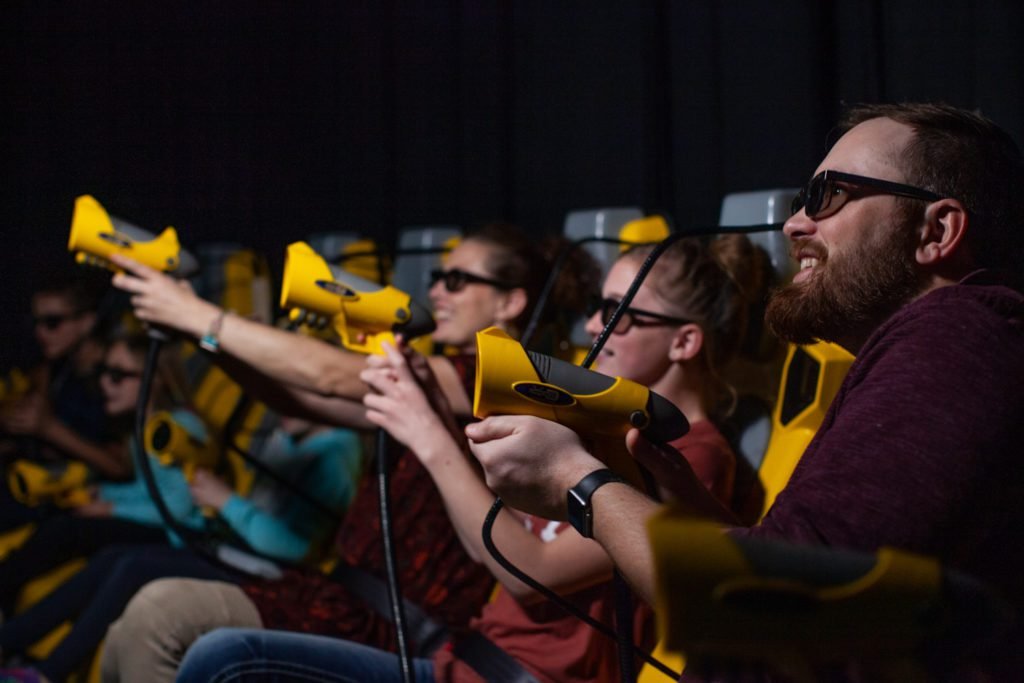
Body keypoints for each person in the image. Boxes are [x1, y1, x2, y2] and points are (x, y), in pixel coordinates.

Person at [466, 103, 1024, 679]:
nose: (794, 225)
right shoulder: (945, 347)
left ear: (937, 230)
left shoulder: (959, 334)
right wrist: (693, 511)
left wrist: (577, 483)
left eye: (829, 195)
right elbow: (808, 564)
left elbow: (772, 607)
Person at [172, 234, 764, 683]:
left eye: (618, 313)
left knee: (226, 658)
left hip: (509, 676)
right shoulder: (601, 421)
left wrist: (431, 436)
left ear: (685, 341)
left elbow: (526, 571)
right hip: (462, 662)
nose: (592, 327)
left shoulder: (692, 459)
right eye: (595, 308)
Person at [99, 225, 596, 683]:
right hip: (338, 596)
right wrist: (199, 335)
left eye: (458, 280)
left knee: (159, 615)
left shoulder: (496, 382)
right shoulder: (445, 380)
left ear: (510, 302)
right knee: (128, 630)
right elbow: (296, 397)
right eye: (440, 276)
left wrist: (199, 316)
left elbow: (334, 376)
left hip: (390, 622)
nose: (437, 289)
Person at [0, 415, 361, 683]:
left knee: (134, 567)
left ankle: (47, 673)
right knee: (113, 557)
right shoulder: (287, 438)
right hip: (231, 548)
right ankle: (15, 645)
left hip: (272, 574)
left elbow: (297, 550)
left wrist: (226, 501)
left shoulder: (335, 457)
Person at [0, 331, 206, 619]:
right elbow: (147, 488)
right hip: (156, 524)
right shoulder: (137, 433)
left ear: (154, 379)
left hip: (178, 535)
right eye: (104, 372)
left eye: (119, 375)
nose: (105, 383)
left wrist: (111, 508)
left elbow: (179, 507)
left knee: (69, 530)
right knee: (63, 517)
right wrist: (104, 494)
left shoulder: (177, 427)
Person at [0, 276, 126, 532]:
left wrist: (49, 428)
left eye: (52, 323)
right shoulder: (56, 367)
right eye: (36, 323)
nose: (41, 332)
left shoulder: (116, 375)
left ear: (87, 322)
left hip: (96, 502)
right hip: (44, 482)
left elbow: (122, 466)